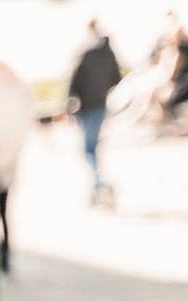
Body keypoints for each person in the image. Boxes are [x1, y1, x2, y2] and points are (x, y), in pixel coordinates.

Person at [68, 19, 123, 206]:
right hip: (100, 106)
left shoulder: (85, 52)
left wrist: (70, 104)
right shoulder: (109, 53)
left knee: (88, 150)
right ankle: (97, 187)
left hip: (86, 108)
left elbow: (73, 82)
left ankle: (100, 185)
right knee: (92, 149)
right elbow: (116, 79)